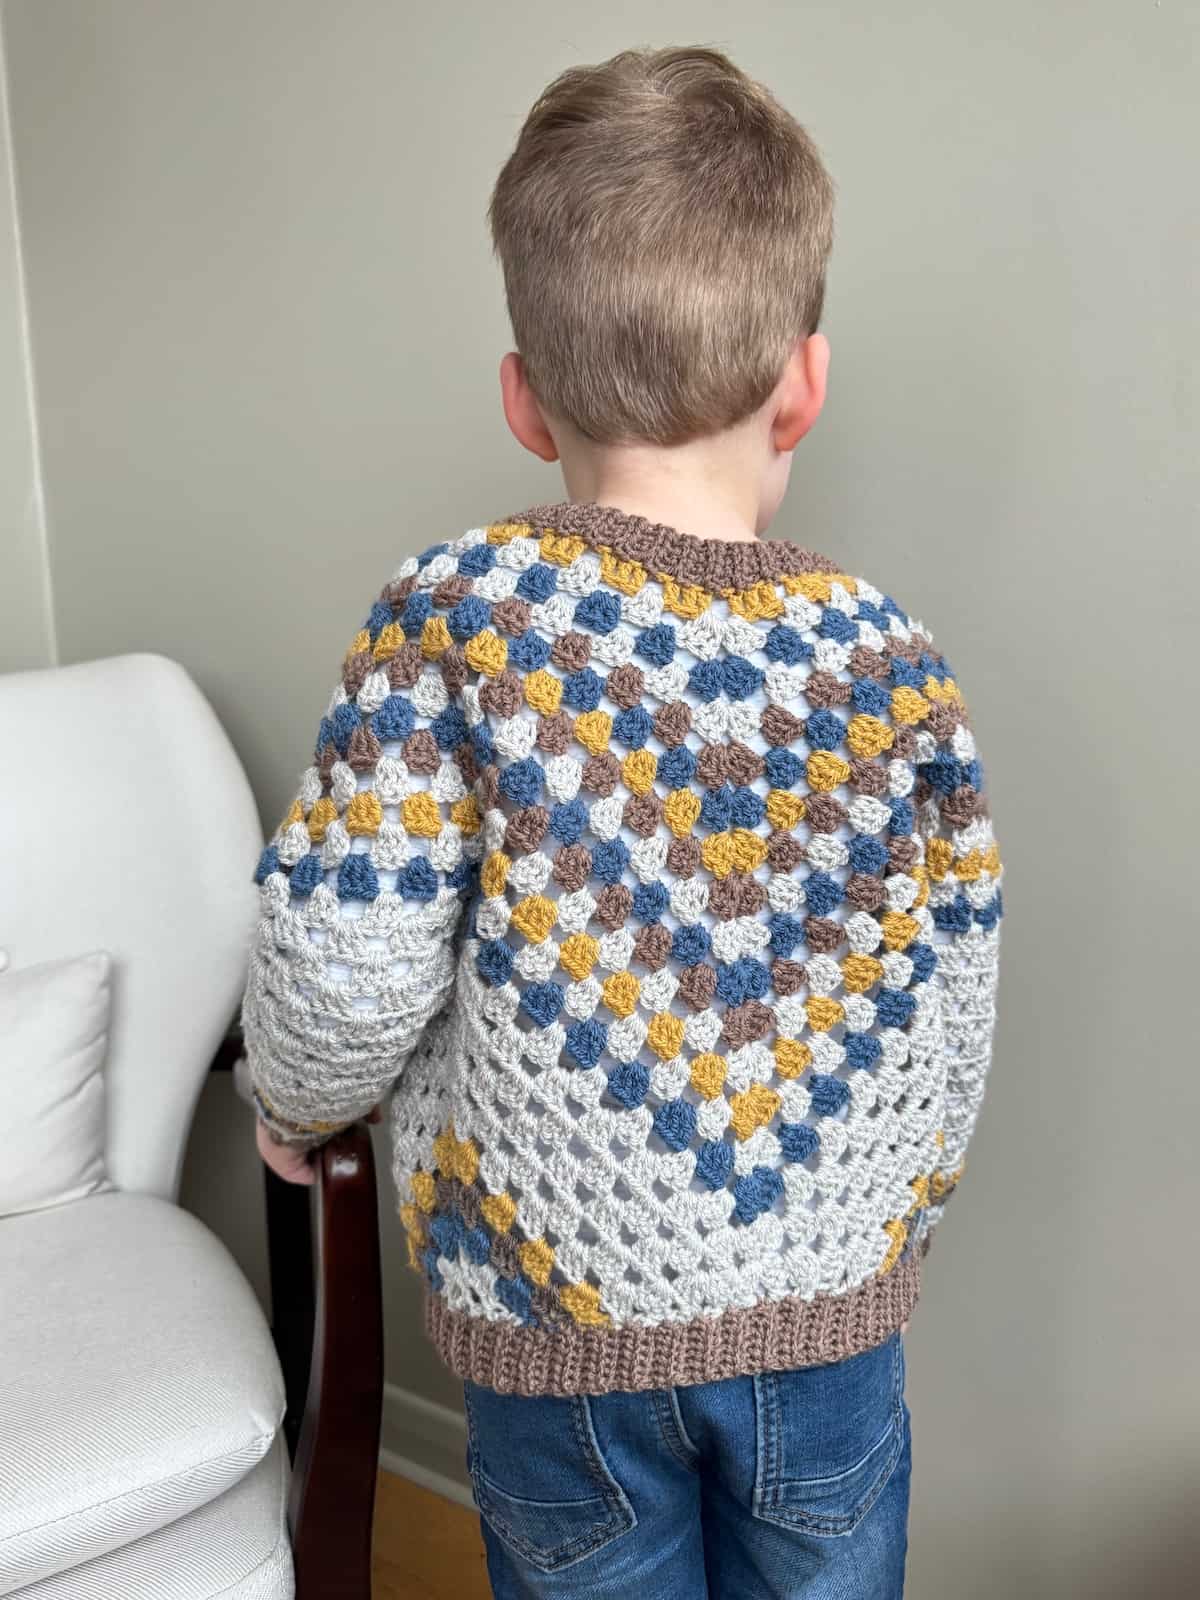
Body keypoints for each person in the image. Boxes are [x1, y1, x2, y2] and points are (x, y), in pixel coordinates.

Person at [241, 44, 1003, 1599]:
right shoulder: (890, 663)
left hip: (552, 1334)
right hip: (831, 1334)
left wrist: (295, 1104)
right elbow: (953, 998)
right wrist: (882, 1222)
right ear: (806, 380)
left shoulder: (453, 620)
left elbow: (345, 959)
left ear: (524, 403)